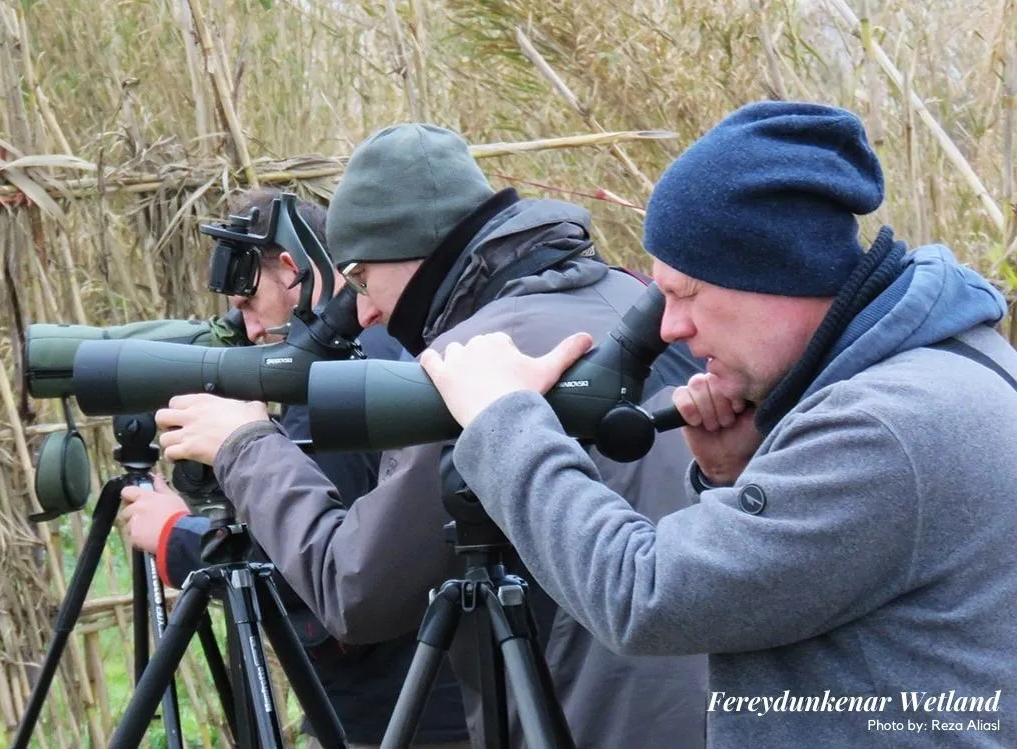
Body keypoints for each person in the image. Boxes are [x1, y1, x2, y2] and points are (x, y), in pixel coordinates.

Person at [416, 101, 1017, 748]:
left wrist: (504, 420)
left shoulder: (882, 426)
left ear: (774, 270)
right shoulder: (959, 359)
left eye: (687, 293)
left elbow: (643, 595)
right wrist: (739, 473)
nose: (671, 328)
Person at [145, 124, 709, 748]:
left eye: (361, 279)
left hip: (591, 720)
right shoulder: (633, 298)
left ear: (411, 253)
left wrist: (243, 444)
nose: (363, 311)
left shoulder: (469, 366)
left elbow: (355, 589)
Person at [118, 187, 471, 749]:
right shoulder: (389, 348)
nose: (252, 331)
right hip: (434, 698)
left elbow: (325, 572)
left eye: (248, 306)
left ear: (289, 271)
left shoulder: (341, 381)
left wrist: (176, 538)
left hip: (401, 718)